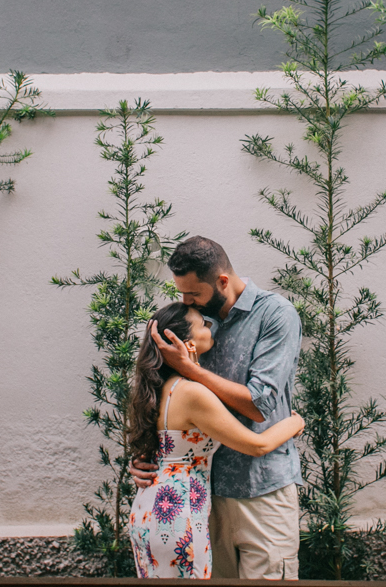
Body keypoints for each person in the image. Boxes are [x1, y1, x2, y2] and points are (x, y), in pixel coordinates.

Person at [130, 236, 304, 579]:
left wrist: (192, 369)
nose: (186, 301)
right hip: (203, 499)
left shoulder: (275, 314)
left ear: (222, 281)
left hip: (262, 490)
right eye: (182, 293)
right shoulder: (193, 321)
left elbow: (260, 404)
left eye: (194, 293)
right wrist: (150, 457)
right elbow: (162, 391)